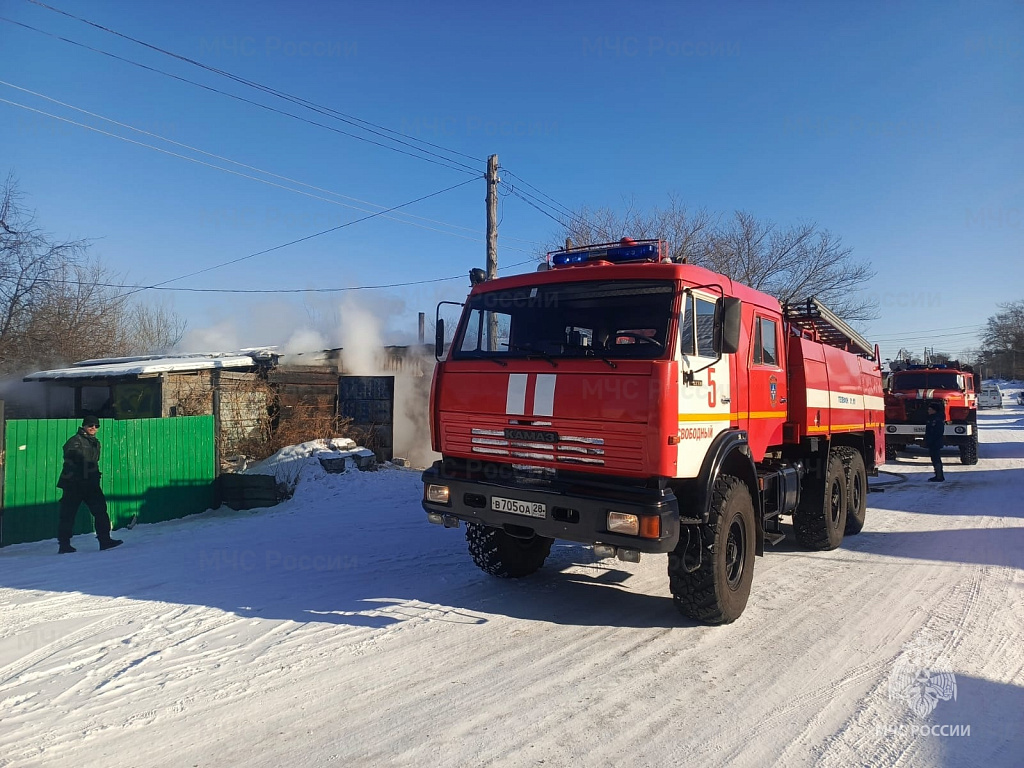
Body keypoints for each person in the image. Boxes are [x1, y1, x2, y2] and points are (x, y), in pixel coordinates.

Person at [56, 416, 123, 553]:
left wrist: (94, 475)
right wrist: (81, 473)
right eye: (90, 425)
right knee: (68, 514)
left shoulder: (95, 443)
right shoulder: (75, 441)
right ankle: (64, 545)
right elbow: (72, 458)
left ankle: (105, 540)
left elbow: (93, 462)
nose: (93, 428)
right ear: (84, 426)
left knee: (100, 511)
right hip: (74, 484)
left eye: (96, 426)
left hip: (90, 483)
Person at [924, 402, 946, 482]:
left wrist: (931, 441)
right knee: (934, 458)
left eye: (930, 409)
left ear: (934, 410)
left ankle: (939, 476)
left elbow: (936, 432)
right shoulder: (932, 418)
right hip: (933, 442)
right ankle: (938, 475)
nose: (928, 411)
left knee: (936, 459)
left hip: (935, 442)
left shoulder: (936, 420)